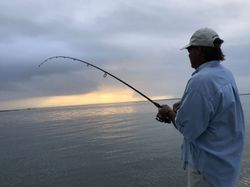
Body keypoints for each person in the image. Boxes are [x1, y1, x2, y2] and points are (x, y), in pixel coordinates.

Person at [156, 28, 245, 187]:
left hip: (207, 172)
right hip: (226, 167)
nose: (188, 54)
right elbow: (216, 107)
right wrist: (185, 105)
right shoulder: (225, 74)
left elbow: (188, 128)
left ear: (199, 51)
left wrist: (169, 113)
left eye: (190, 50)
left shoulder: (201, 81)